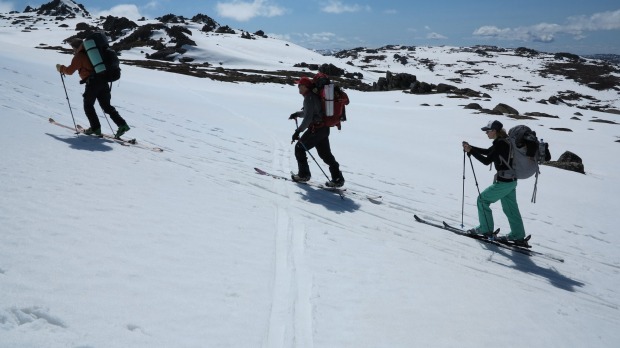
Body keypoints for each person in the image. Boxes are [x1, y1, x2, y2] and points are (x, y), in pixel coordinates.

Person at [462, 120, 526, 244]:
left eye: (488, 131)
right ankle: (518, 235)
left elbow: (486, 161)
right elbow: (488, 152)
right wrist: (471, 148)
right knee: (511, 209)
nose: (486, 133)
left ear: (494, 131)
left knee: (482, 200)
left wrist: (471, 151)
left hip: (504, 182)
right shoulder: (503, 141)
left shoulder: (500, 144)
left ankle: (485, 229)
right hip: (511, 181)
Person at [56, 38, 130, 138]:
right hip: (103, 80)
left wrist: (60, 68)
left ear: (75, 47)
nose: (73, 50)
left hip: (92, 82)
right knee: (107, 106)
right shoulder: (94, 54)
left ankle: (95, 128)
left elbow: (69, 71)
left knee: (88, 105)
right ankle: (122, 125)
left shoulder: (79, 56)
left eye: (73, 48)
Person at [289, 76, 345, 188]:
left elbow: (308, 117)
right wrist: (297, 114)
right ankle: (337, 178)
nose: (298, 87)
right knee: (326, 155)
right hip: (323, 129)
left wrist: (298, 131)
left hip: (316, 130)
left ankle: (303, 175)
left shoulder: (309, 98)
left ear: (305, 86)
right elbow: (309, 112)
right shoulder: (312, 97)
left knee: (300, 148)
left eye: (300, 85)